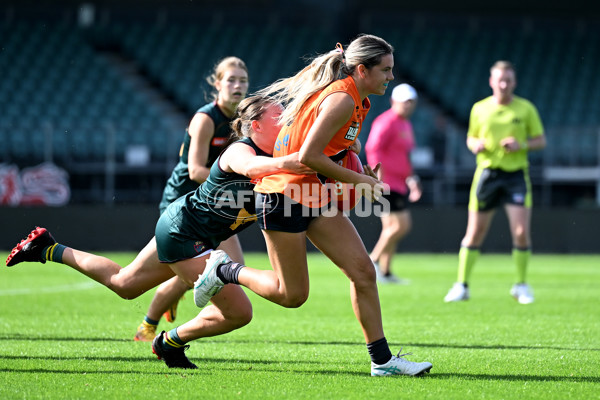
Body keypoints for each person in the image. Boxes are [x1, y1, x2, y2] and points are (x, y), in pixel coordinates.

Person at [6, 96, 310, 369]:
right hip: (184, 233)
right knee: (240, 313)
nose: (286, 122)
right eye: (279, 117)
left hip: (187, 227)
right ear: (255, 125)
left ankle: (48, 248)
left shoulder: (279, 157)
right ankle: (169, 343)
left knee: (124, 284)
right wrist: (300, 161)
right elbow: (255, 168)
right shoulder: (240, 150)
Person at [194, 34, 433, 377]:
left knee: (364, 272)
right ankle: (223, 269)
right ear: (362, 70)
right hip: (283, 196)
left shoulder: (358, 99)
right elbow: (308, 155)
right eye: (386, 70)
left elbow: (333, 147)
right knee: (291, 296)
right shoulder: (342, 99)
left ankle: (382, 362)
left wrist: (359, 166)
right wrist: (360, 181)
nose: (391, 77)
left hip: (312, 196)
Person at [135, 56, 250, 342]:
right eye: (231, 80)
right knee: (210, 272)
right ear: (218, 84)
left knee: (221, 270)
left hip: (213, 203)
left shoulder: (243, 120)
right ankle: (151, 328)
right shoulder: (205, 119)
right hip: (182, 203)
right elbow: (197, 170)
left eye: (243, 81)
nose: (237, 86)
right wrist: (236, 187)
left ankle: (158, 326)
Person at [443, 60, 546, 304]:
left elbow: (540, 140)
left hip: (515, 175)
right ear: (491, 82)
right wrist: (474, 145)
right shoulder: (480, 108)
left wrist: (520, 145)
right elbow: (471, 137)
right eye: (500, 79)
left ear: (514, 82)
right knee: (475, 232)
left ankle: (521, 285)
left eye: (508, 80)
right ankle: (462, 285)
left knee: (521, 232)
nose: (503, 84)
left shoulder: (526, 109)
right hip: (487, 174)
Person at [365, 83, 422, 284]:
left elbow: (405, 156)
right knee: (401, 226)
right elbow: (373, 149)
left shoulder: (406, 124)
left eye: (411, 102)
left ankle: (386, 272)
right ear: (393, 102)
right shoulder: (386, 122)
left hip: (399, 183)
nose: (408, 106)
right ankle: (372, 261)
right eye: (404, 102)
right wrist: (378, 178)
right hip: (387, 183)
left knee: (391, 228)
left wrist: (412, 179)